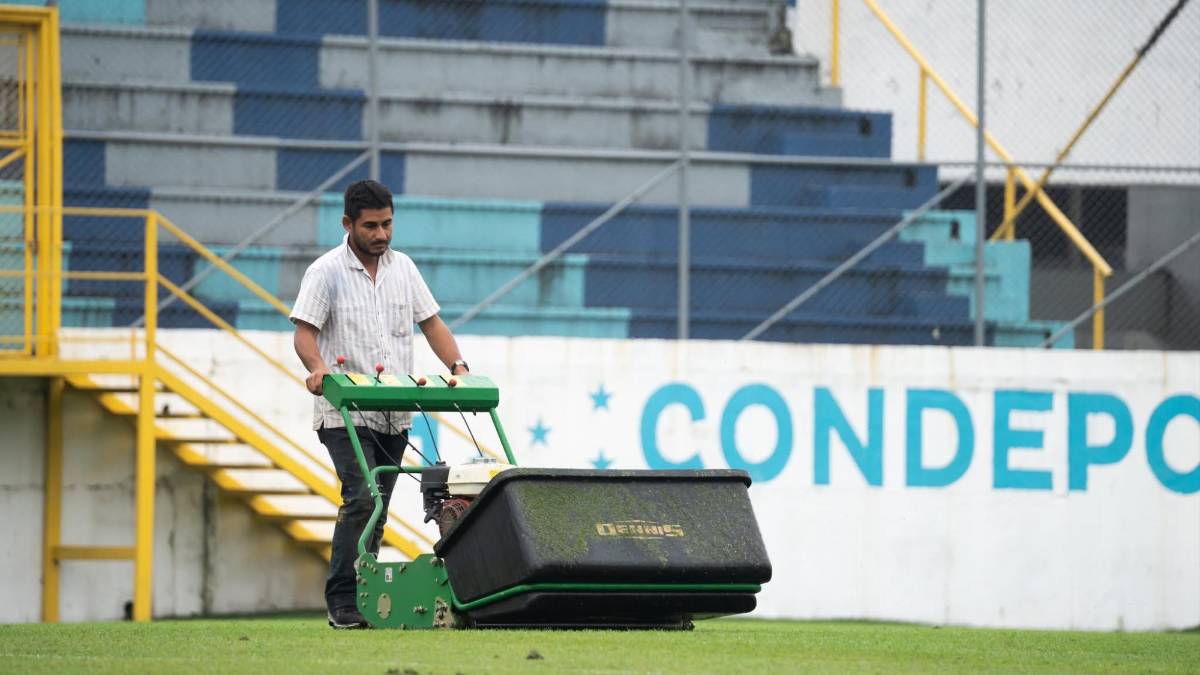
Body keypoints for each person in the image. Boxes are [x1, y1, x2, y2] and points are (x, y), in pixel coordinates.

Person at [290, 179, 469, 629]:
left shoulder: (404, 269)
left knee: (378, 508)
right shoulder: (325, 271)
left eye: (387, 224)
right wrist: (317, 369)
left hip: (394, 412)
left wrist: (459, 366)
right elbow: (305, 334)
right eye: (371, 226)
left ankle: (364, 598)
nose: (381, 234)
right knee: (363, 500)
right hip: (344, 412)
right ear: (347, 223)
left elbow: (432, 325)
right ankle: (342, 601)